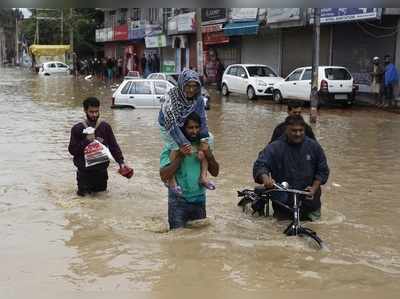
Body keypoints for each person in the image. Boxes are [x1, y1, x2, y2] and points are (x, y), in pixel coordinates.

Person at [253, 115, 329, 221]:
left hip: (310, 202)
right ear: (286, 129)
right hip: (283, 203)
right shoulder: (275, 147)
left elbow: (323, 170)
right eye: (294, 131)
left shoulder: (314, 147)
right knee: (280, 232)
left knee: (314, 230)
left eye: (300, 130)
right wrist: (266, 179)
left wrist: (314, 188)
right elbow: (260, 165)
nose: (298, 134)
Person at [158, 69, 215, 195]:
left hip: (186, 125)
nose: (191, 90)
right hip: (168, 125)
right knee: (175, 145)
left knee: (208, 139)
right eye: (188, 86)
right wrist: (183, 143)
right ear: (181, 84)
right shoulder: (170, 97)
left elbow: (202, 120)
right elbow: (171, 124)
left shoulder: (199, 98)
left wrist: (203, 142)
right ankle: (171, 180)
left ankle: (203, 176)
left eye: (194, 86)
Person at [160, 112, 219, 230]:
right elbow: (163, 175)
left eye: (197, 127)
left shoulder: (204, 144)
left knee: (199, 239)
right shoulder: (172, 145)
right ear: (183, 128)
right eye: (190, 128)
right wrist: (180, 156)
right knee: (177, 238)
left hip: (199, 199)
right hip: (177, 202)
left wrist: (208, 153)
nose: (194, 131)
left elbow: (215, 172)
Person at [68, 97, 133, 196]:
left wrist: (121, 163)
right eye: (91, 112)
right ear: (85, 110)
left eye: (96, 112)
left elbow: (113, 146)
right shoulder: (77, 129)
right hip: (84, 174)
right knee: (85, 202)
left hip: (101, 173)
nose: (94, 115)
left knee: (102, 201)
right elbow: (72, 150)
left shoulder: (105, 127)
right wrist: (86, 141)